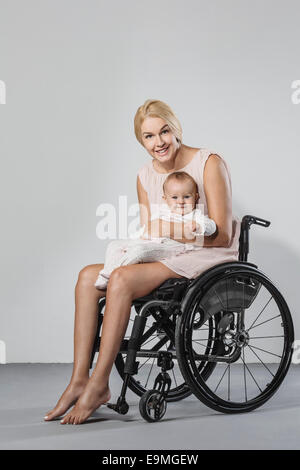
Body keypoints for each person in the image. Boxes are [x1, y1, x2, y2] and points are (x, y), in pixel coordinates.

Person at [44, 99, 240, 425]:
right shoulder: (145, 175)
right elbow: (152, 231)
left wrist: (172, 229)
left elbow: (220, 236)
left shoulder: (209, 163)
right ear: (141, 140)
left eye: (164, 131)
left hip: (207, 255)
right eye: (149, 137)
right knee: (86, 278)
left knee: (121, 279)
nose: (158, 142)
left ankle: (99, 384)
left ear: (176, 130)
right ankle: (79, 378)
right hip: (166, 252)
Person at [94, 171, 217, 290]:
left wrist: (199, 226)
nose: (181, 201)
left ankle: (111, 276)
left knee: (139, 251)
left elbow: (212, 226)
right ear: (165, 199)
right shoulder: (162, 213)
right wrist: (134, 240)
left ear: (195, 197)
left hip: (172, 248)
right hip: (148, 242)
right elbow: (147, 228)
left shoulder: (195, 215)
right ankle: (106, 273)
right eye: (174, 197)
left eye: (186, 197)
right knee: (114, 245)